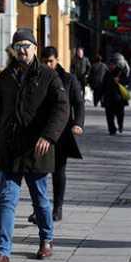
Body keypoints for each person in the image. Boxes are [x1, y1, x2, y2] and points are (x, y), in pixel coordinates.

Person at [0, 29, 69, 262]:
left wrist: (49, 136)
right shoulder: (6, 76)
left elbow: (62, 109)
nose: (22, 50)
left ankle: (46, 239)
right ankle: (2, 253)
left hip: (36, 150)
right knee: (6, 200)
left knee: (40, 199)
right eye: (17, 46)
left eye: (26, 45)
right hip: (9, 150)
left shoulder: (48, 76)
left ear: (35, 48)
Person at [26, 46, 84, 223]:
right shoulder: (35, 78)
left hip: (61, 132)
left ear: (57, 60)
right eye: (44, 61)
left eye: (50, 61)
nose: (47, 64)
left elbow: (78, 103)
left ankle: (57, 207)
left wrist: (78, 124)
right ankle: (39, 209)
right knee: (38, 172)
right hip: (38, 132)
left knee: (58, 171)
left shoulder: (68, 79)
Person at [102, 60, 128, 135]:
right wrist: (100, 97)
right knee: (109, 116)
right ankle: (112, 129)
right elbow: (103, 85)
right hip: (108, 98)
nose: (110, 66)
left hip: (119, 99)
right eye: (109, 65)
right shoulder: (107, 73)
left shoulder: (120, 73)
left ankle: (120, 125)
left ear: (116, 65)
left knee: (120, 115)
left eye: (112, 65)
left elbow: (126, 81)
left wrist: (119, 80)